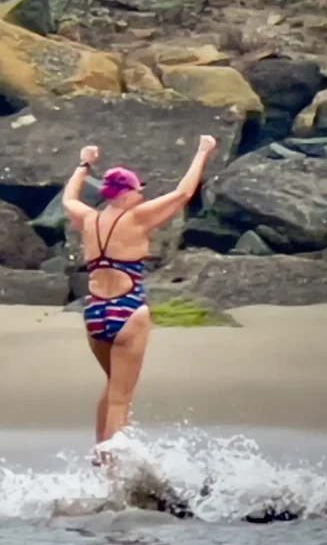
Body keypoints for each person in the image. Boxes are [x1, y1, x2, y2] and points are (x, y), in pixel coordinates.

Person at [62, 136, 218, 464]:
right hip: (128, 310)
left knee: (112, 386)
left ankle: (99, 453)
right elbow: (183, 194)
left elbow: (68, 198)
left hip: (94, 312)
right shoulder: (137, 217)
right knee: (122, 397)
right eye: (137, 190)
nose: (142, 194)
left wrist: (83, 163)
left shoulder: (88, 219)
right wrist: (202, 152)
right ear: (125, 192)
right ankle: (114, 475)